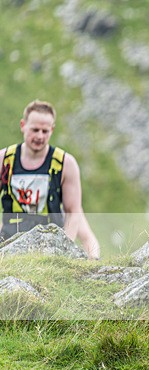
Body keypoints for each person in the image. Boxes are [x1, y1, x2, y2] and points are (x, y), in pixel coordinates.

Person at [0, 100, 99, 259]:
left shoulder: (65, 163)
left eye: (45, 131)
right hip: (9, 241)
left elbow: (73, 212)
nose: (40, 136)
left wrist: (64, 250)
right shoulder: (4, 159)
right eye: (35, 130)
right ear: (23, 125)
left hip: (51, 243)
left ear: (52, 129)